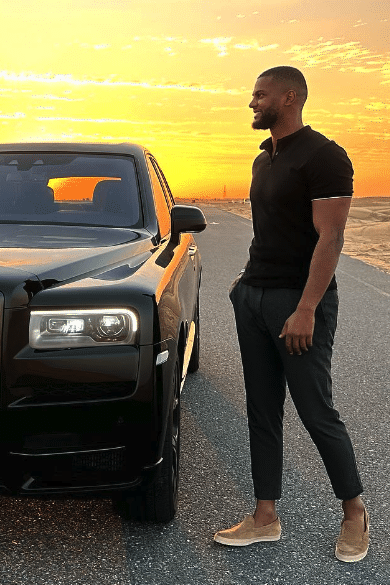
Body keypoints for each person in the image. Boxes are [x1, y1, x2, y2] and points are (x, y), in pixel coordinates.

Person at [213, 66, 369, 562]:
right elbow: (271, 231)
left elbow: (332, 237)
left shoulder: (324, 156)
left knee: (316, 410)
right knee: (261, 410)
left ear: (290, 95)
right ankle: (265, 517)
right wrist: (245, 282)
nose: (251, 102)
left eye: (259, 94)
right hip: (255, 298)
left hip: (298, 304)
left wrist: (306, 308)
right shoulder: (265, 159)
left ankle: (354, 514)